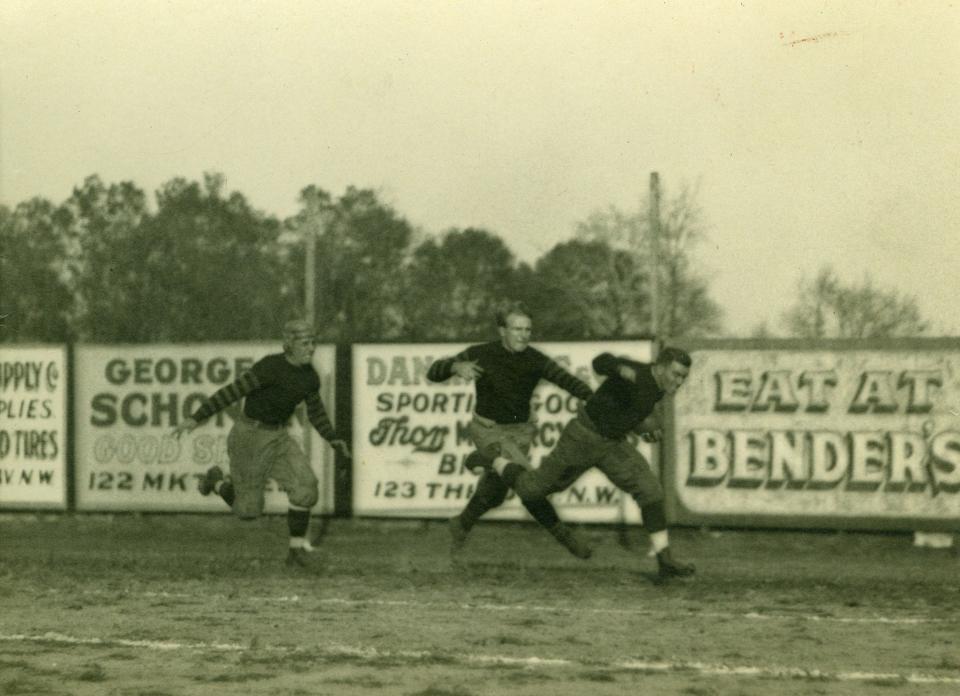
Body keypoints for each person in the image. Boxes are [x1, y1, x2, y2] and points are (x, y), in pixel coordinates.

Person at [470, 346, 696, 580]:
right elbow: (600, 361)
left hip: (611, 444)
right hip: (583, 437)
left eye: (683, 377)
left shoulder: (657, 388)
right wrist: (618, 368)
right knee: (532, 488)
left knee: (650, 489)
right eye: (676, 374)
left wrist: (641, 429)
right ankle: (491, 458)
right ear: (660, 367)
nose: (679, 381)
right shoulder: (637, 372)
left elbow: (623, 410)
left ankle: (665, 560)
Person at [171, 319, 351, 569]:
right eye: (305, 343)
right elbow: (231, 392)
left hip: (278, 438)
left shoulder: (309, 377)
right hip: (249, 438)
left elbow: (317, 413)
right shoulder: (270, 367)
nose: (311, 349)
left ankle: (296, 552)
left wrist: (333, 439)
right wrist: (195, 418)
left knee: (306, 488)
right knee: (248, 511)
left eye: (313, 343)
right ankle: (217, 482)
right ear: (289, 345)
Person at [427, 301, 595, 558]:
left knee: (495, 492)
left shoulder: (535, 359)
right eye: (517, 329)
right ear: (501, 330)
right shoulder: (480, 353)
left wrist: (593, 399)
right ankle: (566, 537)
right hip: (488, 430)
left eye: (527, 329)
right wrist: (453, 367)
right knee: (527, 484)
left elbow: (567, 381)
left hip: (520, 433)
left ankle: (461, 523)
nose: (523, 335)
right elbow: (433, 372)